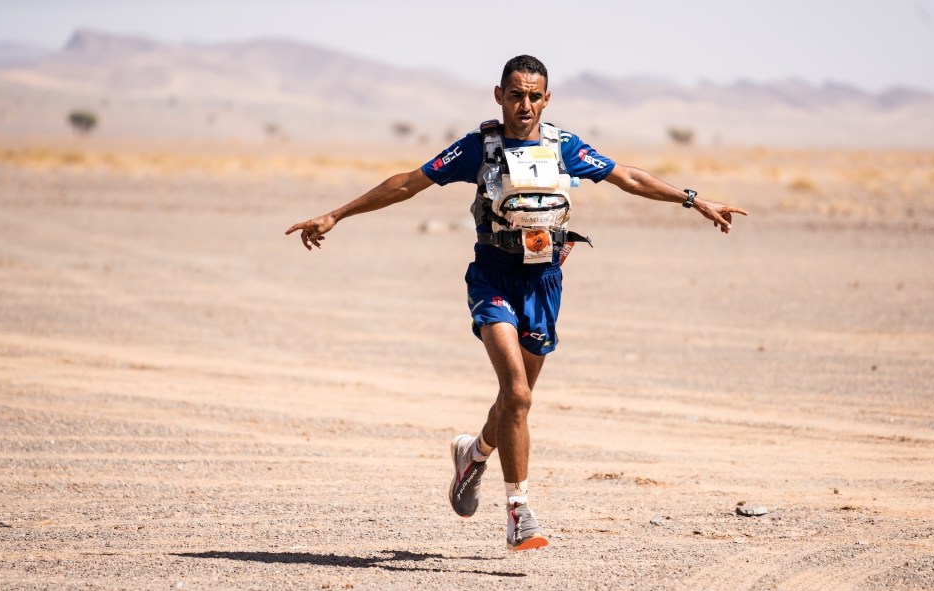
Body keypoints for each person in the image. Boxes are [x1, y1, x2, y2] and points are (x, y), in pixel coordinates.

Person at [286, 55, 747, 552]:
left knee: (513, 401)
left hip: (544, 282)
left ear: (546, 100)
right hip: (493, 278)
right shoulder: (479, 148)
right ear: (499, 96)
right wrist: (336, 214)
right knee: (519, 394)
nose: (524, 105)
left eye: (533, 96)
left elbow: (628, 178)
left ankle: (474, 453)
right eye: (515, 95)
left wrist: (693, 199)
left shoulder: (563, 147)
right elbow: (407, 183)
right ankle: (518, 512)